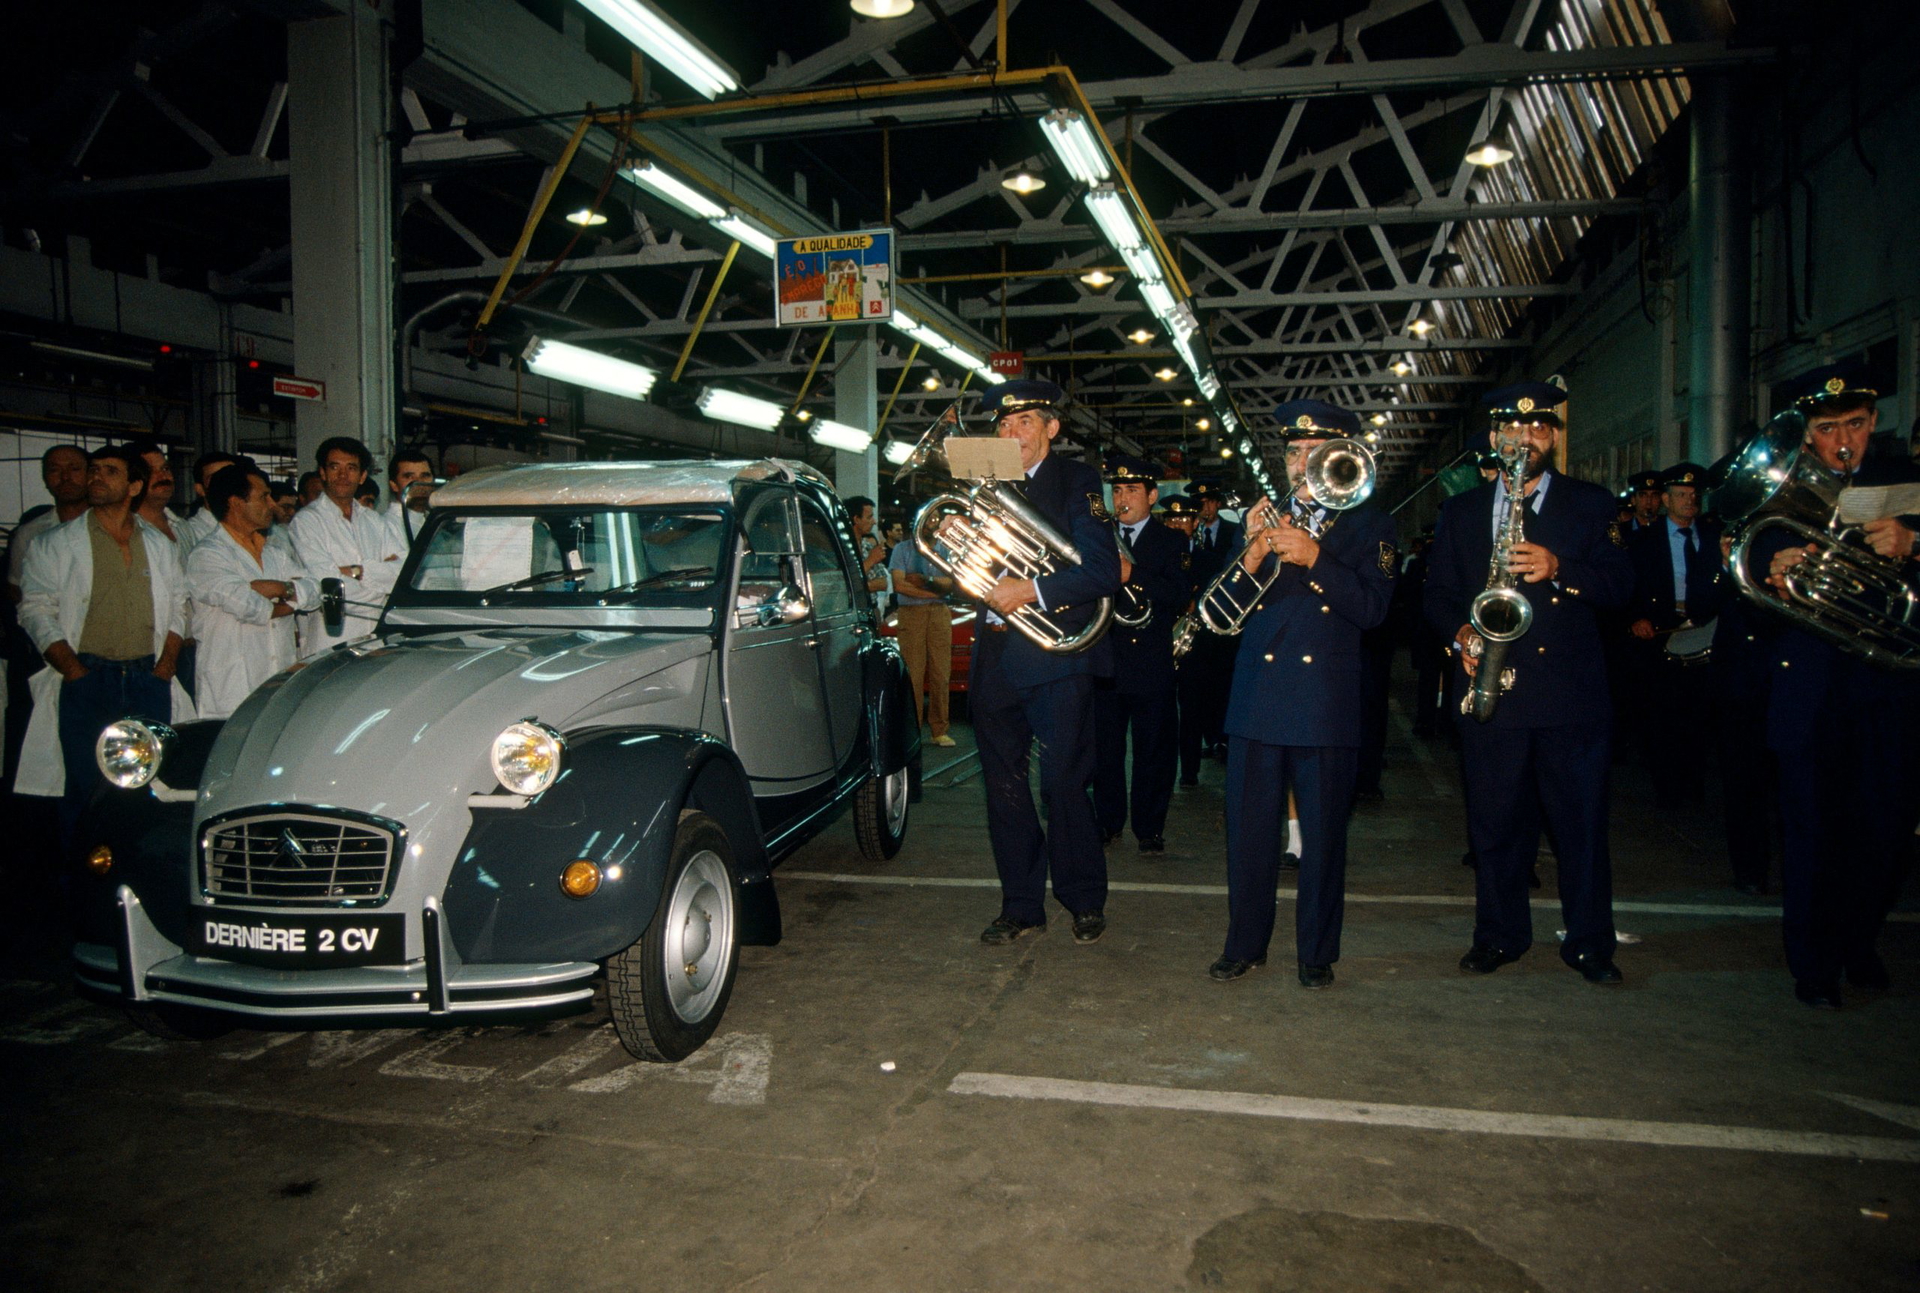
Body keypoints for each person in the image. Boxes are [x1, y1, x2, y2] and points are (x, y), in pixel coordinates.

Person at [1424, 382, 1633, 986]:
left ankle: (1591, 944)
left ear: (1553, 437)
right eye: (1512, 431)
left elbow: (1623, 586)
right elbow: (1435, 596)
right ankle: (1499, 935)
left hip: (1571, 699)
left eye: (1538, 429)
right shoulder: (1461, 513)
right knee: (1494, 825)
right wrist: (1462, 633)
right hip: (1494, 691)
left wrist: (1561, 569)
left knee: (1582, 828)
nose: (1525, 439)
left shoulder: (1591, 504)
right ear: (1495, 439)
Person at [1745, 366, 1920, 1008]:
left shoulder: (1909, 483)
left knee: (1883, 830)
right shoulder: (1783, 494)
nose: (1843, 439)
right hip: (1810, 691)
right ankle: (1812, 963)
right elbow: (1736, 588)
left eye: (1854, 424)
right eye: (1827, 428)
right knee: (1812, 830)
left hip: (1888, 687)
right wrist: (1772, 570)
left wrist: (1914, 544)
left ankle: (1859, 942)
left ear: (1873, 420)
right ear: (1808, 434)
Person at [1207, 401, 1397, 989]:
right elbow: (1217, 615)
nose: (1301, 462)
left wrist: (1316, 558)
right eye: (1292, 452)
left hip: (1322, 702)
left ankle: (1316, 952)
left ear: (1341, 457)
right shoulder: (1259, 521)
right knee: (1249, 835)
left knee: (1321, 839)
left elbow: (1372, 610)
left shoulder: (1371, 526)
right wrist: (1254, 552)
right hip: (1257, 699)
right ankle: (1245, 944)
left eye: (1314, 452)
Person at [963, 380, 1120, 946]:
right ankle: (1021, 904)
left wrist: (1029, 590)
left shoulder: (1079, 482)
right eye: (1003, 425)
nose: (1011, 433)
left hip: (1057, 653)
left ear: (1052, 429)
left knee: (1062, 783)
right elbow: (969, 563)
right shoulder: (985, 484)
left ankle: (1082, 898)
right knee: (1003, 787)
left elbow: (1101, 571)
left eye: (1024, 421)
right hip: (997, 657)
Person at [17, 445, 192, 847]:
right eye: (93, 470)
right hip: (87, 678)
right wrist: (74, 671)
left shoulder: (160, 546)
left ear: (133, 486)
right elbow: (35, 610)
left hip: (149, 678)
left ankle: (134, 872)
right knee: (85, 786)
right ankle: (82, 884)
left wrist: (164, 668)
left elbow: (179, 608)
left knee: (147, 785)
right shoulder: (54, 543)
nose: (95, 478)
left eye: (108, 472)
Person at [1093, 455, 1190, 854]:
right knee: (1105, 752)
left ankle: (1149, 828)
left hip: (1150, 660)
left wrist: (1134, 575)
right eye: (1116, 491)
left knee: (1154, 750)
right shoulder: (1098, 537)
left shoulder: (1172, 541)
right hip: (1106, 660)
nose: (1122, 499)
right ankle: (1108, 823)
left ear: (1152, 496)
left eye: (1132, 490)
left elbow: (1180, 595)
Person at [187, 463, 318, 720]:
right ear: (236, 503)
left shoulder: (273, 553)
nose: (271, 504)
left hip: (276, 679)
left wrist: (278, 589)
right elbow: (249, 606)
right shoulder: (207, 555)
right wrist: (291, 598)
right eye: (263, 497)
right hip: (232, 687)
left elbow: (314, 590)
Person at [1625, 462, 1719, 808]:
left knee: (1697, 716)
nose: (1689, 501)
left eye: (1694, 496)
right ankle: (1667, 788)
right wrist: (1636, 618)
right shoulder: (1641, 542)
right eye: (1681, 495)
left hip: (1703, 632)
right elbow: (1625, 586)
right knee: (1662, 716)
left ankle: (1693, 787)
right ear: (1666, 499)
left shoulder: (1711, 536)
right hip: (1660, 633)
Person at [288, 436, 405, 656]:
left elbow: (404, 571)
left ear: (362, 476)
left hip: (376, 641)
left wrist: (358, 571)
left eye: (351, 468)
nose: (343, 475)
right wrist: (382, 590)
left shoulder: (373, 521)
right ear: (322, 473)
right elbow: (330, 589)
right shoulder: (306, 522)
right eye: (335, 467)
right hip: (330, 642)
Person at [888, 512, 957, 748]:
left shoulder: (944, 550)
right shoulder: (902, 550)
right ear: (917, 522)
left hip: (939, 615)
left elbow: (952, 582)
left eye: (936, 518)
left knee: (941, 673)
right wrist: (936, 591)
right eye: (928, 519)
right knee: (913, 674)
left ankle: (939, 730)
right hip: (912, 615)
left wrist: (925, 580)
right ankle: (912, 730)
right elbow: (899, 584)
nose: (933, 523)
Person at [7, 445, 90, 605]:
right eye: (54, 470)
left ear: (90, 475)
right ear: (45, 479)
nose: (65, 477)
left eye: (74, 469)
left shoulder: (112, 526)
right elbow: (16, 588)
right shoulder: (30, 533)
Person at [178, 450, 240, 551]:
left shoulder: (251, 525)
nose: (226, 483)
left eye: (232, 477)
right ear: (200, 489)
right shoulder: (191, 533)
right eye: (215, 478)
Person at [384, 448, 437, 547]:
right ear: (394, 485)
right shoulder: (387, 526)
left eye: (425, 476)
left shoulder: (437, 520)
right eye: (409, 477)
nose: (419, 483)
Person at [845, 495, 889, 602]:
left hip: (871, 607)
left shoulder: (868, 546)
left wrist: (859, 586)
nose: (874, 522)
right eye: (869, 517)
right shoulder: (841, 549)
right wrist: (870, 560)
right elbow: (843, 583)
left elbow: (883, 583)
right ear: (856, 519)